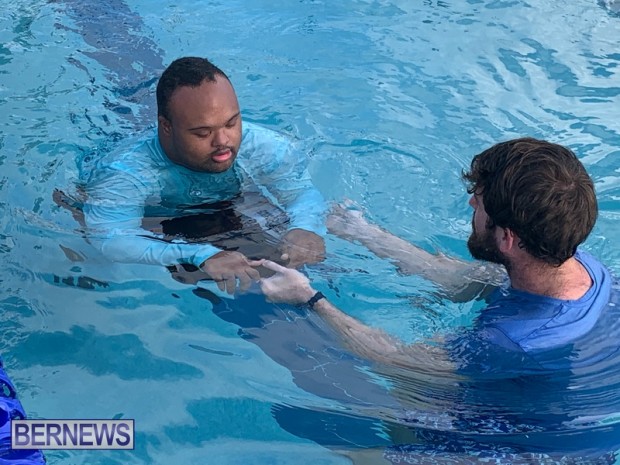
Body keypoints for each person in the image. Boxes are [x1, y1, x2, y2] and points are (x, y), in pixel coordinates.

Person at [257, 137, 620, 463]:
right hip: (573, 422)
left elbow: (393, 359)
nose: (470, 203)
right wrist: (363, 232)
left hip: (533, 449)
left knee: (387, 426)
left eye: (479, 204)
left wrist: (309, 297)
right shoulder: (583, 266)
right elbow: (467, 280)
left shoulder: (511, 341)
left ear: (507, 238)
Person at [80, 56, 327, 294]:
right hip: (158, 214)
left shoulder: (264, 146)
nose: (223, 141)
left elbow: (300, 192)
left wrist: (306, 226)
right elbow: (111, 241)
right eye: (202, 133)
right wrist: (198, 254)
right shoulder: (124, 173)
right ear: (166, 126)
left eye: (231, 123)